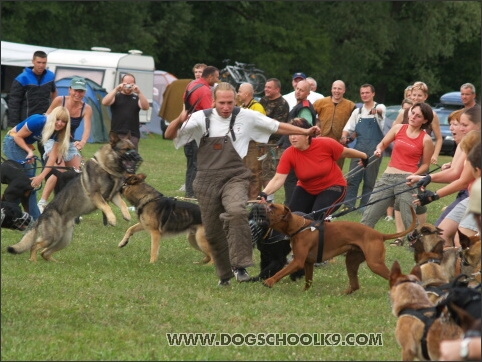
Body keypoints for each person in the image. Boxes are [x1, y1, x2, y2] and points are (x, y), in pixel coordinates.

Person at [163, 82, 321, 286]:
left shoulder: (246, 116)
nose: (226, 107)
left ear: (236, 100)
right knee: (212, 231)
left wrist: (305, 132)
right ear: (213, 101)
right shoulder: (200, 118)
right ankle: (224, 275)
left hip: (235, 176)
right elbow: (169, 135)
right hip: (206, 179)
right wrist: (179, 119)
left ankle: (240, 265)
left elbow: (277, 126)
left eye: (230, 102)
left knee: (237, 211)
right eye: (222, 103)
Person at [261, 117, 369, 219]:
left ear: (307, 134)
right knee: (291, 219)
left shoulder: (325, 143)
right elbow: (278, 178)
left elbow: (346, 152)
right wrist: (264, 194)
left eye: (297, 134)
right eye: (290, 134)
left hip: (334, 187)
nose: (292, 137)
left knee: (315, 219)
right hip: (306, 188)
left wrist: (364, 156)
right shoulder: (288, 153)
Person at [360, 102, 434, 243]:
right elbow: (382, 144)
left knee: (409, 218)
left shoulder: (426, 139)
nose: (413, 117)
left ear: (424, 121)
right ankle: (357, 244)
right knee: (370, 213)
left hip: (407, 180)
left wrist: (415, 176)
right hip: (387, 177)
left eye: (418, 116)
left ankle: (417, 247)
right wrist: (379, 150)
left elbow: (425, 164)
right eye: (412, 113)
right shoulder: (398, 128)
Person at [408, 105, 481, 246]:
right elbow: (455, 172)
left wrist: (434, 196)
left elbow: (462, 181)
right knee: (442, 235)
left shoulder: (477, 146)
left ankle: (466, 267)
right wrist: (428, 178)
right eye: (458, 124)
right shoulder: (471, 142)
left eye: (464, 125)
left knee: (461, 241)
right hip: (471, 198)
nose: (460, 129)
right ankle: (451, 267)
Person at [2, 106, 71, 220]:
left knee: (30, 184)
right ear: (53, 117)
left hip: (23, 145)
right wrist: (29, 151)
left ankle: (19, 214)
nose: (59, 123)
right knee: (27, 183)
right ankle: (31, 218)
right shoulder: (38, 121)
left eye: (63, 121)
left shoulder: (59, 133)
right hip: (12, 141)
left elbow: (52, 158)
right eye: (57, 119)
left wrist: (41, 176)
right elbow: (17, 136)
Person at [36, 77, 93, 212]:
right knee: (58, 170)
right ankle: (42, 203)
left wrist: (83, 141)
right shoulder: (59, 100)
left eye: (81, 91)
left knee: (78, 173)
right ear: (70, 90)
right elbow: (47, 117)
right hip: (52, 139)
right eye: (75, 91)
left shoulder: (86, 108)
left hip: (68, 142)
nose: (78, 94)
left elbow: (87, 129)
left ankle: (71, 205)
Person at [340, 84, 386, 211]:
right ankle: (348, 205)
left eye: (367, 93)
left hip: (374, 149)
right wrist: (344, 137)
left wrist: (376, 111)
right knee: (353, 177)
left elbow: (382, 111)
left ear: (373, 94)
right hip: (358, 149)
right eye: (362, 93)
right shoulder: (358, 111)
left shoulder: (379, 107)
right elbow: (347, 128)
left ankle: (365, 206)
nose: (365, 95)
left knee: (369, 180)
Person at [8, 50, 57, 157]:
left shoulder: (50, 76)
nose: (41, 65)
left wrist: (52, 110)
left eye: (44, 63)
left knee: (47, 151)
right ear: (33, 62)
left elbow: (54, 93)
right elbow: (14, 102)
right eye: (39, 62)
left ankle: (47, 172)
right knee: (24, 153)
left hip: (44, 121)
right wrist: (14, 123)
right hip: (27, 121)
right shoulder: (22, 78)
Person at [180, 65, 219, 198]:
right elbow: (209, 112)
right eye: (216, 77)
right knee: (196, 164)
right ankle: (191, 194)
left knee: (191, 163)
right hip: (196, 131)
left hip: (188, 128)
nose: (217, 80)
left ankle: (190, 193)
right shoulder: (205, 90)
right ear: (210, 77)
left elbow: (184, 102)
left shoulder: (191, 85)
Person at [278, 80, 317, 204]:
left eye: (302, 90)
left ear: (308, 93)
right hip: (293, 147)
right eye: (297, 89)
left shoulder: (304, 108)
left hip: (296, 149)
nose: (298, 92)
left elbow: (304, 130)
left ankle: (291, 208)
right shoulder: (299, 105)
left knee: (291, 180)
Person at [394, 81, 442, 165]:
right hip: (402, 157)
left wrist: (435, 155)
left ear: (425, 96)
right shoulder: (403, 113)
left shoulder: (432, 115)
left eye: (419, 95)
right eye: (414, 95)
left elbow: (439, 139)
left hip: (421, 158)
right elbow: (393, 133)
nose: (416, 98)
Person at [313, 80, 356, 170]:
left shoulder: (350, 106)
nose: (336, 91)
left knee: (336, 169)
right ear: (331, 89)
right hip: (322, 140)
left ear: (344, 90)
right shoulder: (320, 103)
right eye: (334, 88)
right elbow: (310, 117)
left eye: (339, 89)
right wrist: (314, 132)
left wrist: (350, 138)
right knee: (319, 167)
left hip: (339, 142)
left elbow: (357, 123)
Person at [258, 78, 290, 201]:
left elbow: (276, 126)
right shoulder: (263, 100)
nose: (266, 89)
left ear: (277, 89)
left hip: (273, 143)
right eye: (265, 87)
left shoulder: (282, 104)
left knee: (269, 171)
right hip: (261, 141)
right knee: (260, 171)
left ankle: (269, 199)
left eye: (269, 87)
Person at [101, 73, 149, 151]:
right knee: (114, 158)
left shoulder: (137, 98)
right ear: (121, 83)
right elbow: (104, 102)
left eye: (131, 84)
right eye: (126, 83)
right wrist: (116, 89)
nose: (128, 86)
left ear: (134, 84)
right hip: (116, 134)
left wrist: (139, 92)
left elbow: (146, 107)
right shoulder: (116, 96)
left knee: (130, 158)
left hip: (132, 134)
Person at [237, 82, 266, 200]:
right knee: (244, 172)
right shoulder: (242, 107)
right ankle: (246, 198)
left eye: (240, 91)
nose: (238, 94)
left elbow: (261, 126)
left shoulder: (257, 107)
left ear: (247, 93)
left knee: (254, 173)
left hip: (254, 145)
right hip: (244, 144)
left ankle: (254, 199)